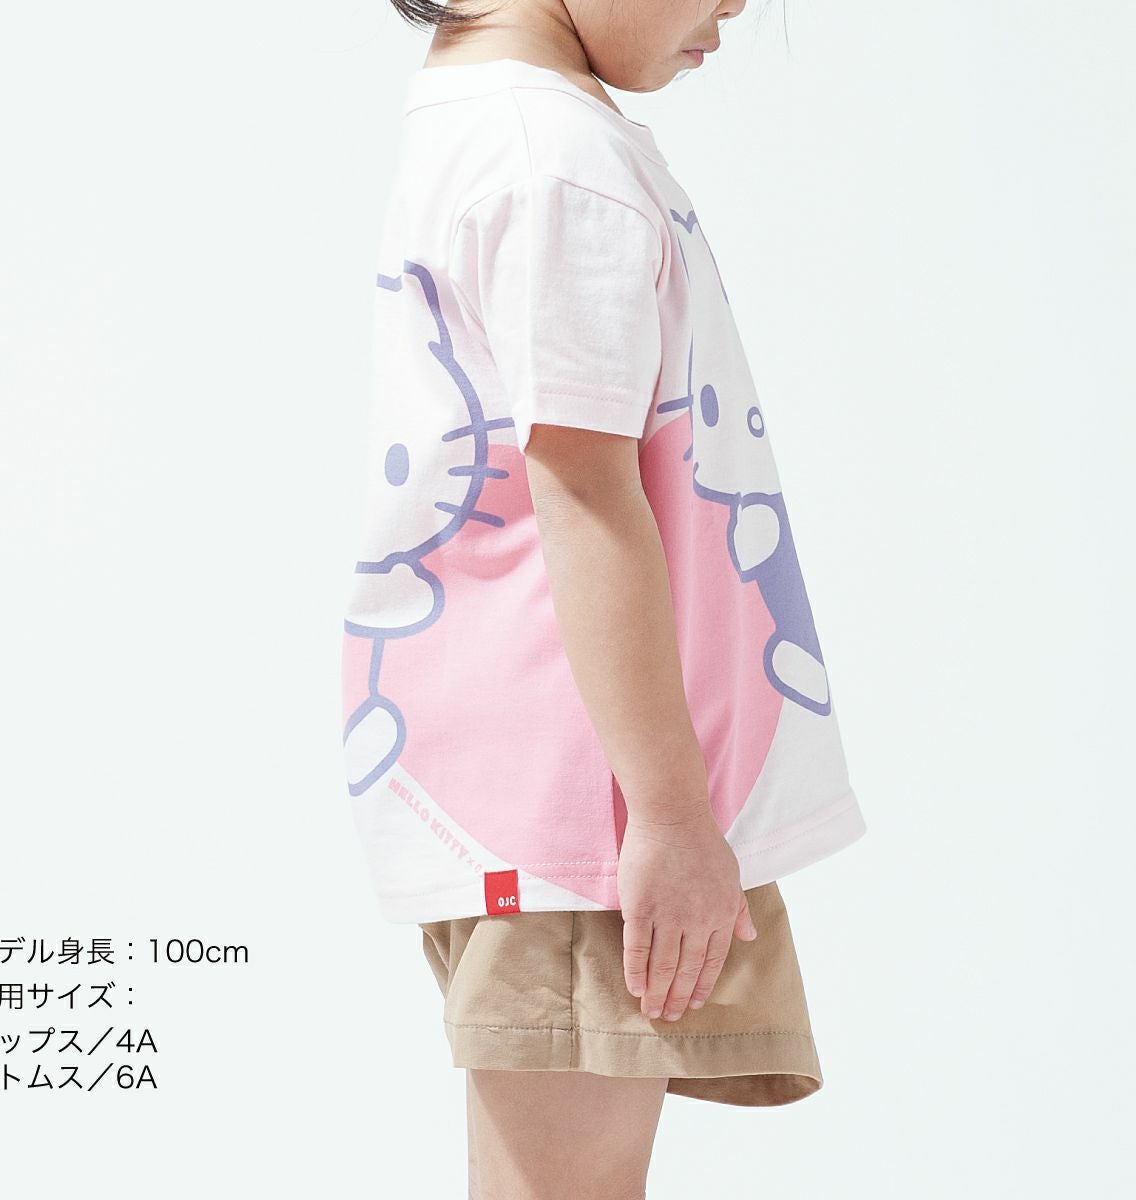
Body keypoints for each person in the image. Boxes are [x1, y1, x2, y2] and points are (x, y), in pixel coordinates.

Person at [340, 1, 869, 1195]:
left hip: (564, 788)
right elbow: (581, 488)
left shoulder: (504, 126)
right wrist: (670, 818)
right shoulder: (552, 158)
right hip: (592, 807)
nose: (737, 4)